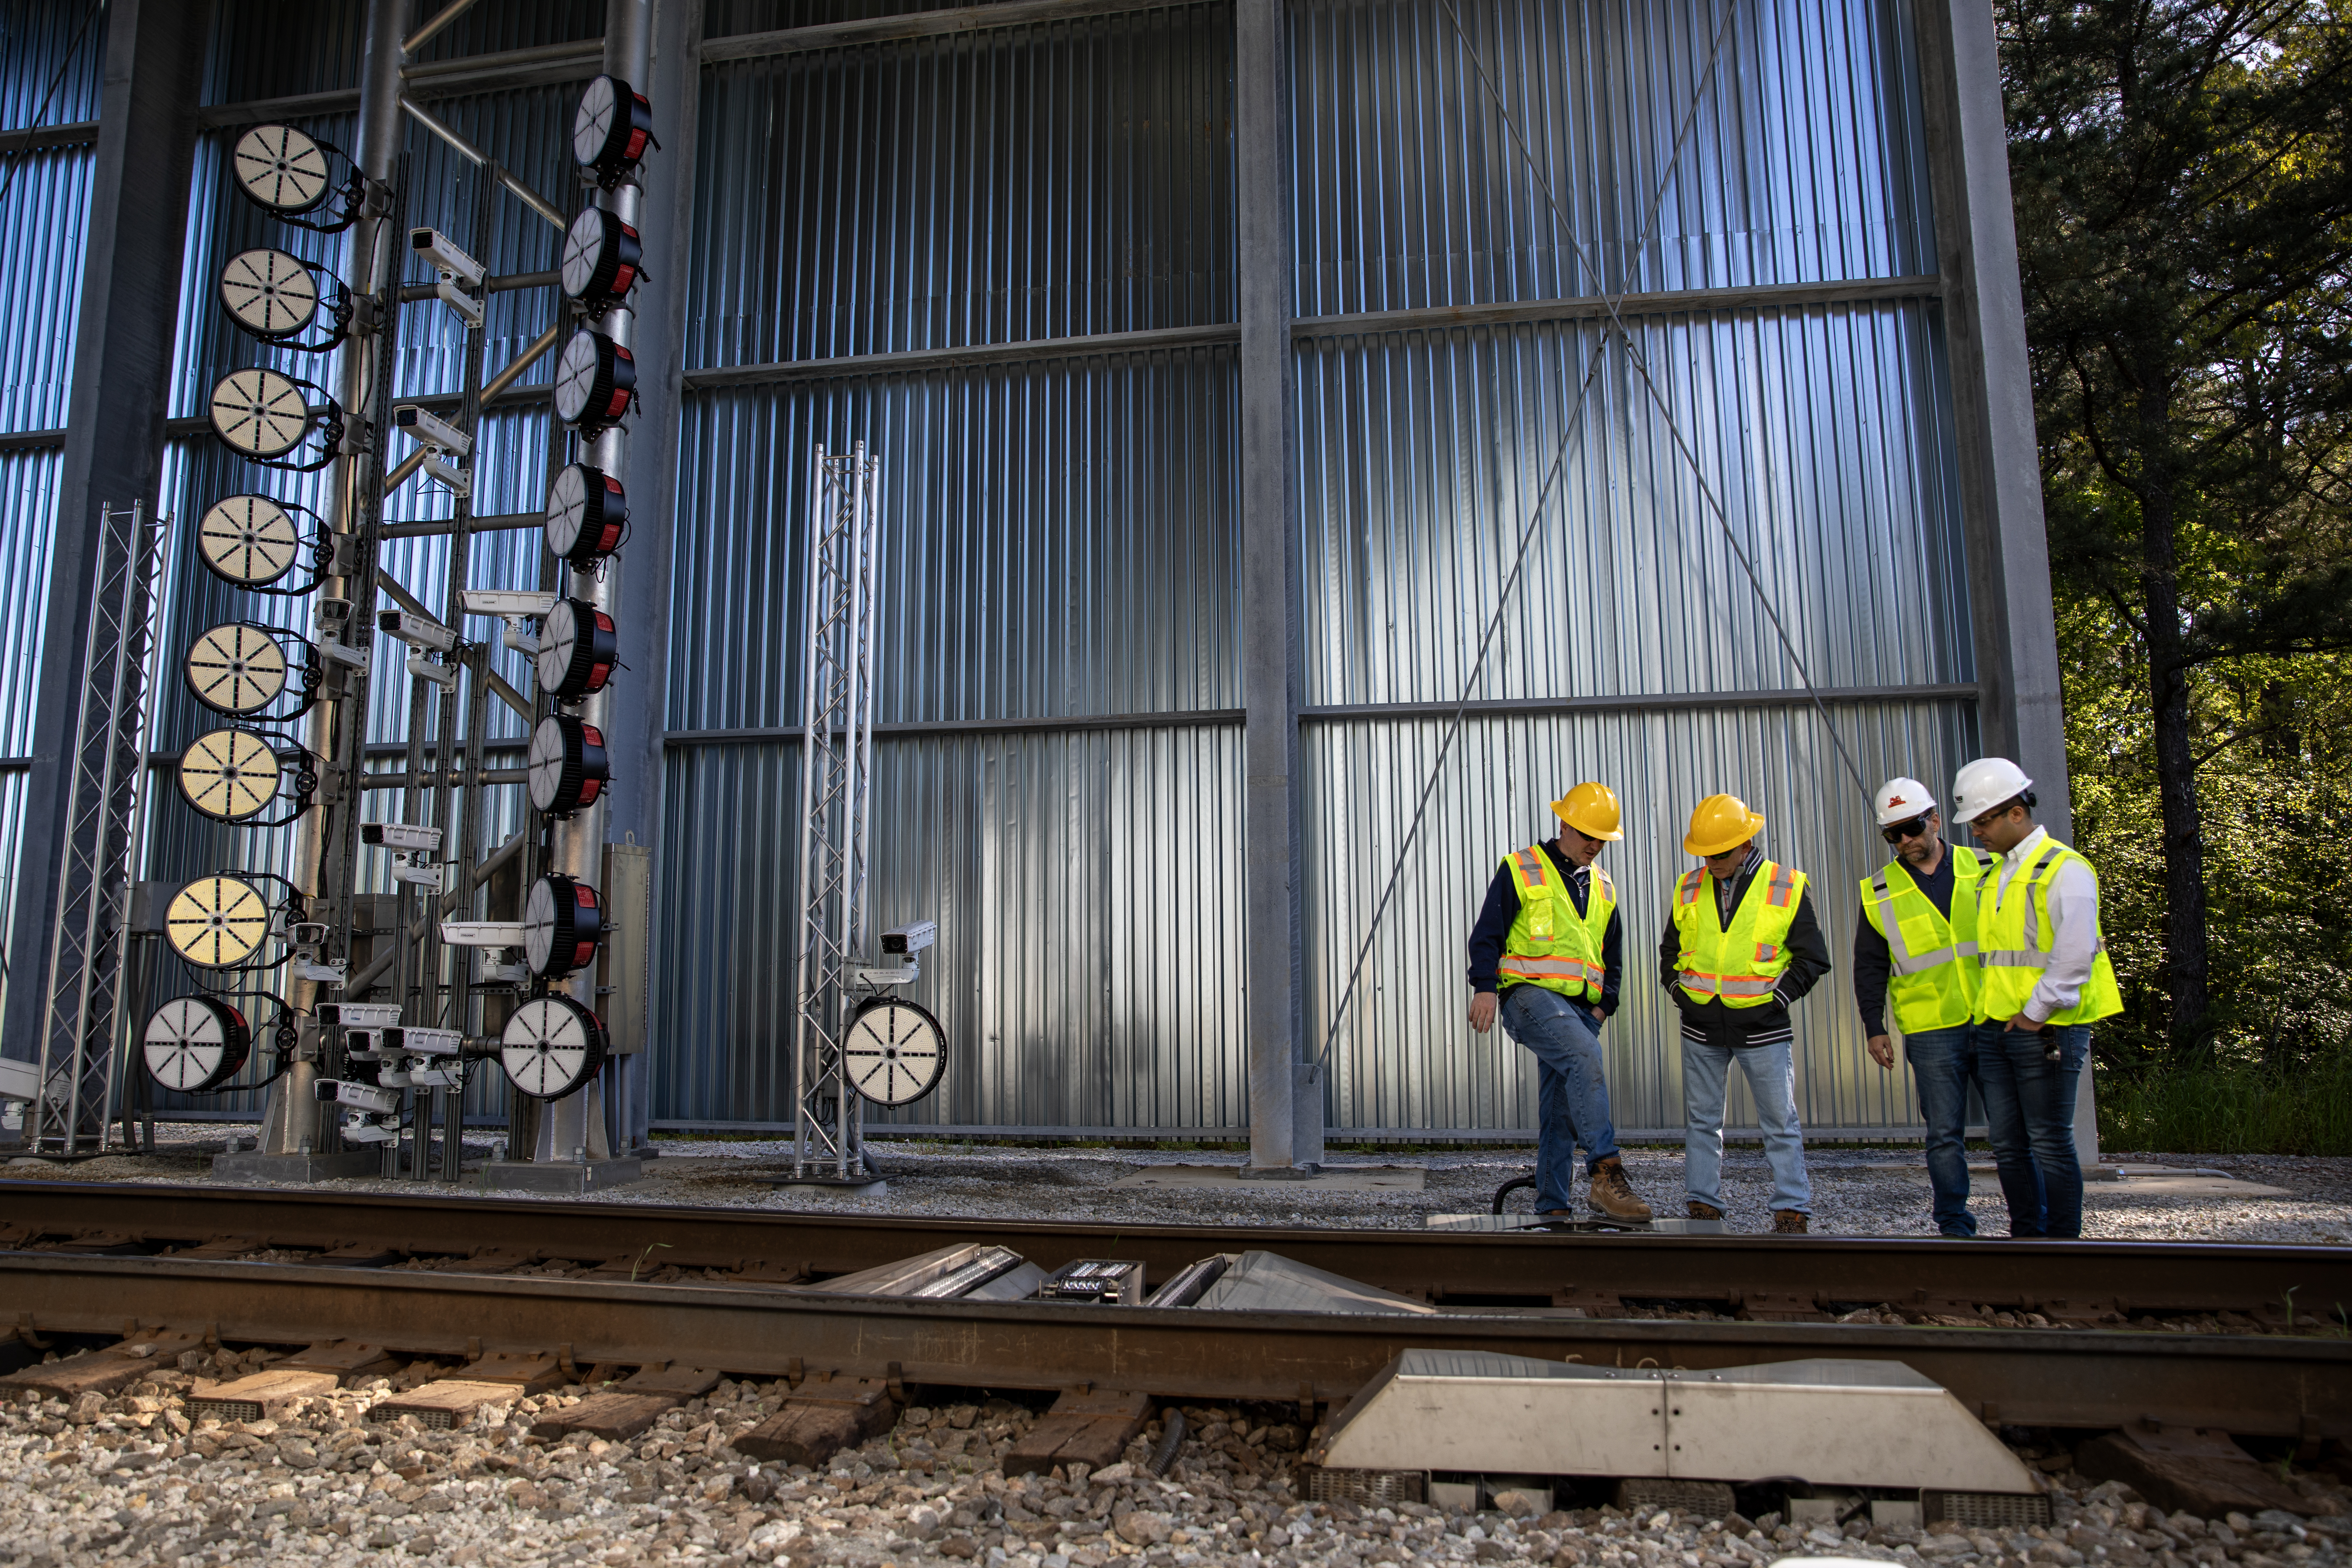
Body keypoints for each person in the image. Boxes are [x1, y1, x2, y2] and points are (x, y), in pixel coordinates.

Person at [1952, 758, 2121, 1239]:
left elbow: (2074, 955)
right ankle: (2027, 1240)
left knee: (2049, 1141)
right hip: (1998, 1027)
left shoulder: (2066, 870)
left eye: (1983, 821)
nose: (1977, 833)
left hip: (2045, 1029)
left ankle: (2062, 1246)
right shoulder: (1995, 875)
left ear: (2016, 814)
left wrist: (2033, 1016)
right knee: (2008, 1145)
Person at [1466, 783, 1652, 1221]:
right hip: (1529, 998)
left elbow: (1614, 953)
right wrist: (1485, 988)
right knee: (1586, 1056)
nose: (1595, 846)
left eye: (1602, 839)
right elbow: (1487, 934)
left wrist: (1604, 1006)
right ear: (1565, 823)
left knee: (1561, 1108)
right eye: (1588, 835)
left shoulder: (1603, 886)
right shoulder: (1522, 868)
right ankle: (1606, 1173)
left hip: (1580, 1011)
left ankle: (1553, 1204)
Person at [1660, 792, 1829, 1233]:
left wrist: (1777, 1000)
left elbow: (1812, 958)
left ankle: (1792, 1208)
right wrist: (1679, 992)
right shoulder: (1689, 886)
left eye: (1720, 852)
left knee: (1780, 1122)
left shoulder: (1785, 884)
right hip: (1700, 1026)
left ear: (1746, 844)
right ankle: (1703, 1203)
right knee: (1702, 1121)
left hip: (1763, 1027)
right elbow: (1670, 951)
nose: (1712, 861)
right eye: (1706, 853)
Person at [1855, 776, 1988, 1237]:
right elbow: (1869, 966)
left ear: (1934, 820)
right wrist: (1875, 1026)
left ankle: (2033, 1224)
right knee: (1945, 1137)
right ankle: (1954, 1224)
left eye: (1912, 828)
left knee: (2016, 1134)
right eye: (1894, 835)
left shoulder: (1984, 868)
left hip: (1995, 1017)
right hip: (1931, 1028)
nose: (1906, 841)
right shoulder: (1879, 890)